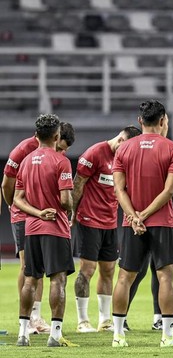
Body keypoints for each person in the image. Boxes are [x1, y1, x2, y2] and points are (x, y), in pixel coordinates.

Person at [111, 100, 173, 347]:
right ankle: (167, 336)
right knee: (166, 277)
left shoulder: (123, 149)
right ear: (163, 120)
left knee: (124, 277)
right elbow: (170, 190)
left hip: (131, 222)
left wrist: (133, 216)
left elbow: (119, 190)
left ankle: (118, 336)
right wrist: (144, 215)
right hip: (162, 221)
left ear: (140, 121)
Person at [14, 113, 77, 347]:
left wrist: (36, 212)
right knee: (58, 280)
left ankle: (23, 333)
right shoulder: (62, 161)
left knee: (30, 280)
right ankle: (55, 335)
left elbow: (17, 199)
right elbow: (64, 201)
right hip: (56, 229)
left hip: (31, 228)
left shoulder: (27, 160)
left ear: (37, 135)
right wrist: (70, 207)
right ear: (56, 135)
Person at [71, 126, 142, 333]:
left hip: (110, 222)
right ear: (120, 139)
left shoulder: (125, 159)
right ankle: (83, 321)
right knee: (87, 270)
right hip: (89, 219)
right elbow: (78, 184)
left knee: (109, 271)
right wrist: (72, 213)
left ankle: (105, 321)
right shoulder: (95, 153)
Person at [2, 134, 49, 334]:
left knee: (39, 267)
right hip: (23, 215)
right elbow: (5, 185)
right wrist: (13, 206)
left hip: (40, 214)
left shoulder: (53, 149)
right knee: (26, 265)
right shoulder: (21, 150)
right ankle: (26, 318)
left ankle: (36, 317)